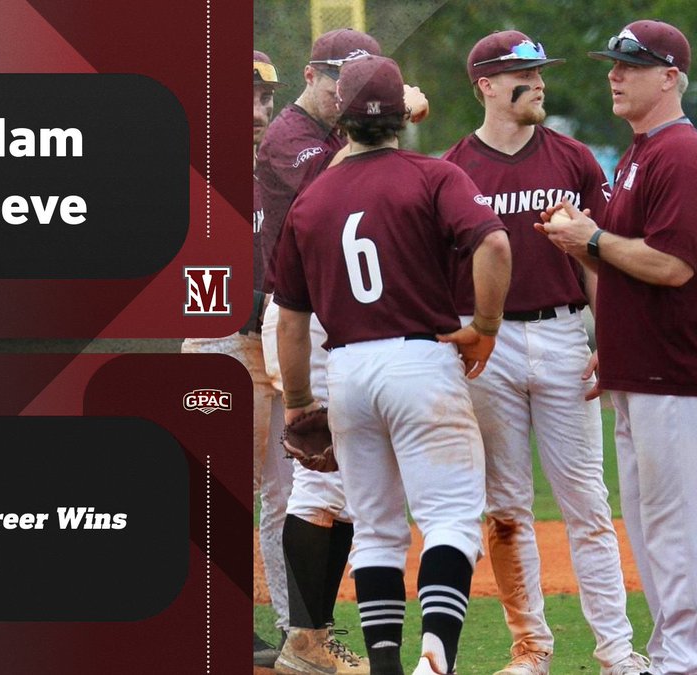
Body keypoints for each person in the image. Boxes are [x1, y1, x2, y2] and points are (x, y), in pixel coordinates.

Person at [273, 54, 511, 675]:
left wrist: (300, 402)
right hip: (420, 361)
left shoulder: (313, 198)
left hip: (348, 370)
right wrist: (485, 327)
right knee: (450, 521)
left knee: (376, 532)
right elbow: (494, 243)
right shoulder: (434, 176)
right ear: (401, 117)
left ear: (343, 117)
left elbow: (293, 319)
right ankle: (437, 659)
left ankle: (384, 665)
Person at [442, 30, 647, 675]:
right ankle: (531, 650)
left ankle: (616, 652)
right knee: (506, 507)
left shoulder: (574, 158)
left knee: (586, 502)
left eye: (540, 72)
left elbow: (600, 257)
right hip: (487, 340)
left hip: (563, 335)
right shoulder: (453, 169)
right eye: (522, 75)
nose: (538, 84)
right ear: (485, 85)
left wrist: (607, 335)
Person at [539, 20, 697, 675]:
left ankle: (687, 662)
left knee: (678, 532)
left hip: (678, 371)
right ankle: (670, 656)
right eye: (613, 63)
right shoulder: (641, 152)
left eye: (631, 64)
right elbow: (633, 265)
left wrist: (590, 241)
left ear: (671, 76)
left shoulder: (677, 152)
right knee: (654, 533)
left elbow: (674, 265)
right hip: (642, 369)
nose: (614, 75)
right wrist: (586, 246)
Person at [257, 28, 426, 675]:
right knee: (321, 478)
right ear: (313, 74)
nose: (346, 92)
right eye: (339, 79)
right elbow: (334, 187)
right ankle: (304, 638)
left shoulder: (329, 135)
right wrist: (387, 118)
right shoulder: (290, 139)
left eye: (359, 82)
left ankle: (310, 636)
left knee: (340, 486)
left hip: (330, 318)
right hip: (303, 319)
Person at [182, 48, 294, 669]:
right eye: (243, 98)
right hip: (221, 346)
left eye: (264, 98)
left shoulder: (282, 168)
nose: (256, 110)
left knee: (289, 492)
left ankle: (293, 627)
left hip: (283, 343)